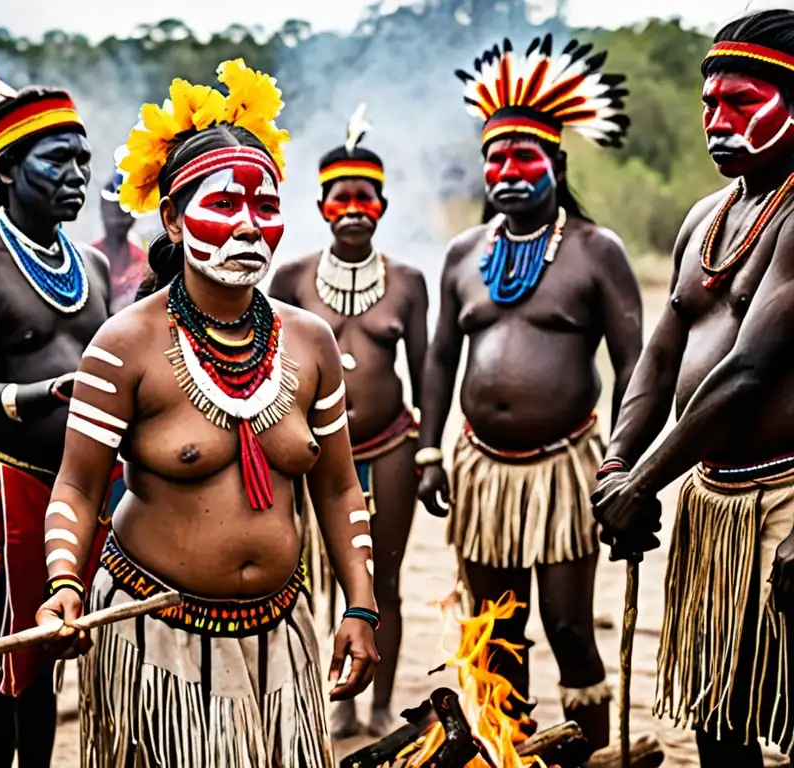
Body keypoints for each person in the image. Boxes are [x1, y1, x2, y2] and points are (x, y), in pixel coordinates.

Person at [33, 59, 380, 767]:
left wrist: (361, 606)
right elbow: (76, 487)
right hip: (156, 634)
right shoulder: (126, 345)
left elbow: (340, 487)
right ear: (171, 217)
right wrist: (64, 585)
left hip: (280, 633)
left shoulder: (309, 341)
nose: (249, 226)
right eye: (223, 205)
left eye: (266, 205)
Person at [415, 34, 642, 749]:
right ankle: (513, 758)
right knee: (496, 636)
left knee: (570, 629)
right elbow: (442, 354)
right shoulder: (463, 254)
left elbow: (637, 364)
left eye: (525, 157)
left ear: (558, 164)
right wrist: (428, 451)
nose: (508, 172)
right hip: (481, 469)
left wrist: (627, 467)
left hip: (569, 469)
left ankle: (590, 755)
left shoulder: (595, 251)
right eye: (495, 159)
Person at [592, 10, 794, 766]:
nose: (717, 123)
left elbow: (747, 372)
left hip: (787, 500)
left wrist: (644, 481)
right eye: (709, 105)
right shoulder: (706, 217)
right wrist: (617, 465)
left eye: (741, 103)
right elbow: (658, 353)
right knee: (719, 721)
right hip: (713, 503)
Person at [0, 67, 113, 768]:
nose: (78, 175)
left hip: (86, 488)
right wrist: (48, 393)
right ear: (10, 168)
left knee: (57, 655)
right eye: (59, 160)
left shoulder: (94, 266)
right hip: (8, 490)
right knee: (11, 664)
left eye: (84, 159)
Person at [269, 104, 428, 738]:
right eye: (341, 199)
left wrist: (431, 452)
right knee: (313, 573)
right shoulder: (292, 279)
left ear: (382, 208)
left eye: (366, 198)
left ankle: (382, 700)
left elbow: (430, 371)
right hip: (310, 447)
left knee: (380, 574)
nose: (354, 209)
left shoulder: (409, 283)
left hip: (391, 445)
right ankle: (334, 698)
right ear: (322, 207)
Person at [92, 171, 149, 314]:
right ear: (103, 210)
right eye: (111, 209)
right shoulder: (87, 259)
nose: (116, 219)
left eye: (122, 212)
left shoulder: (146, 264)